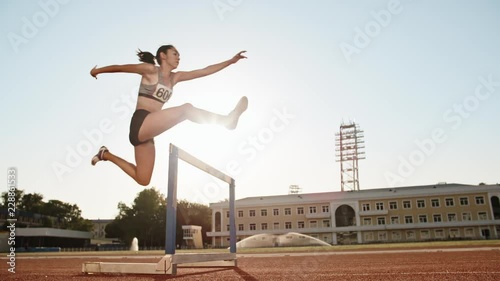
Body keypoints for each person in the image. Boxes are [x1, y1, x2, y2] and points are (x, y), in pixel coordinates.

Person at [89, 45, 248, 186]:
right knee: (186, 109)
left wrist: (230, 61)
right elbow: (121, 67)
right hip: (141, 122)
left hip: (149, 131)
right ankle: (226, 121)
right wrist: (97, 70)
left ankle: (105, 154)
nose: (179, 57)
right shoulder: (150, 70)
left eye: (179, 55)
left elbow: (204, 71)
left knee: (143, 179)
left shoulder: (175, 78)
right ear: (163, 56)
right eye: (175, 53)